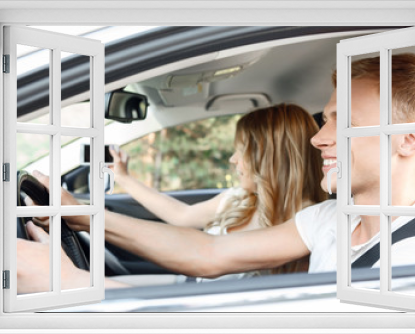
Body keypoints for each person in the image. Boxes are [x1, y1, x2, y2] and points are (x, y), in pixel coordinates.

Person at [18, 53, 415, 292]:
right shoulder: (328, 219)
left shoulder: (414, 261)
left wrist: (73, 285)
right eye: (325, 120)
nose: (320, 139)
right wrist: (83, 214)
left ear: (408, 139)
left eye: (343, 121)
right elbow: (207, 254)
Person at [17, 103, 327, 293]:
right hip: (192, 287)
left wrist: (85, 217)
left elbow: (213, 260)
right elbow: (181, 218)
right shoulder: (238, 198)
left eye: (242, 150)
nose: (234, 160)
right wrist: (123, 180)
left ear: (269, 157)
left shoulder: (310, 227)